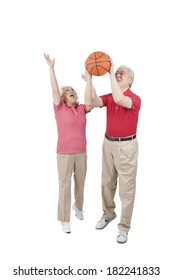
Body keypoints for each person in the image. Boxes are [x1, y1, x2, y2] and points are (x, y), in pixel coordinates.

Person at [84, 59, 141, 243]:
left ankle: (124, 228)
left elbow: (119, 99)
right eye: (116, 72)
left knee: (127, 189)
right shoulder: (109, 96)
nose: (117, 74)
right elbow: (89, 102)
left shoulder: (134, 98)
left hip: (126, 147)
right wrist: (90, 79)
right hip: (108, 143)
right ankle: (108, 214)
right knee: (106, 182)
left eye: (121, 73)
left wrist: (109, 72)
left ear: (130, 80)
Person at [44, 54, 92, 234]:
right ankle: (64, 219)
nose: (72, 90)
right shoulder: (59, 107)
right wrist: (51, 68)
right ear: (63, 97)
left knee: (80, 183)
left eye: (74, 89)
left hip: (81, 153)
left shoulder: (81, 109)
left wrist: (89, 81)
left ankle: (78, 207)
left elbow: (92, 101)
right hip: (64, 154)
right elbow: (55, 89)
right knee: (64, 185)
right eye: (68, 90)